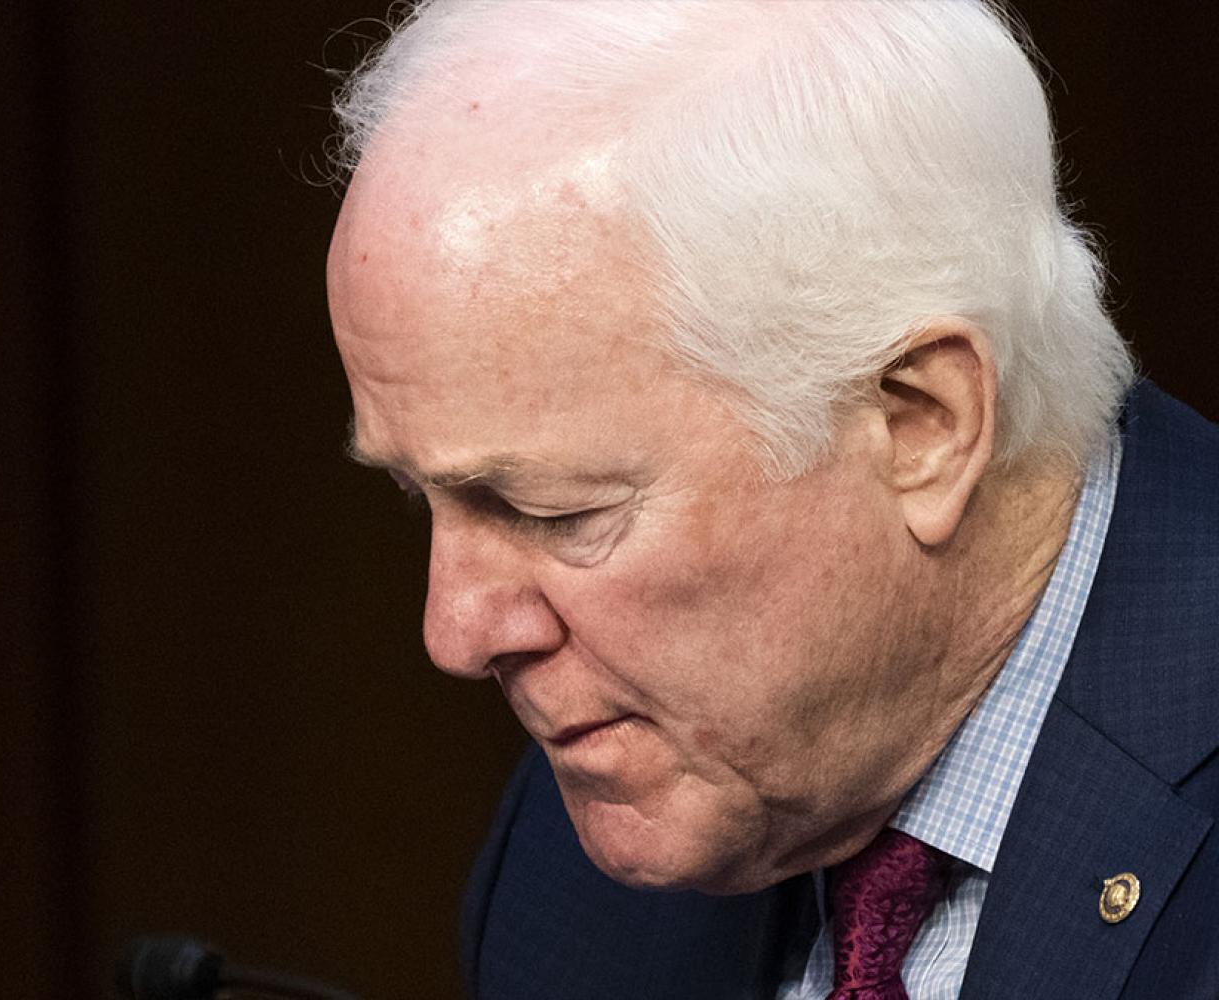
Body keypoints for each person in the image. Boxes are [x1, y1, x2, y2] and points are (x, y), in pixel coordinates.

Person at [324, 2, 1218, 997]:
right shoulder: (572, 873)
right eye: (418, 497)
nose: (453, 633)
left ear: (922, 424)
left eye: (553, 511)